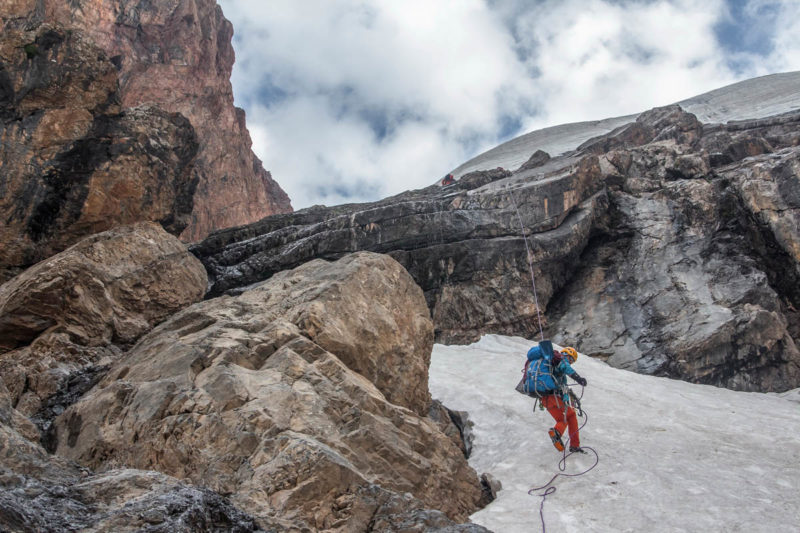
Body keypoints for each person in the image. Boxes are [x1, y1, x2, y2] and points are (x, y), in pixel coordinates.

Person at [541, 346, 587, 453]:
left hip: (545, 398)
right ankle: (559, 434)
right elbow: (566, 368)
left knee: (563, 419)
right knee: (570, 415)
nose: (570, 362)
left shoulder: (550, 364)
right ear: (567, 355)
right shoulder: (561, 359)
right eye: (571, 359)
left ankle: (563, 438)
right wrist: (578, 378)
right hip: (554, 396)